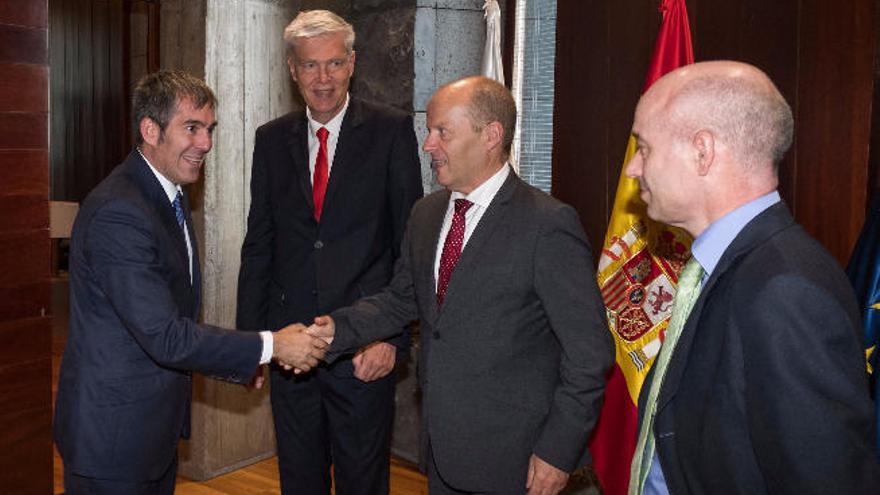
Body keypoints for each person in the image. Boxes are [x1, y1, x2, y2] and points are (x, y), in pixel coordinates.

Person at [308, 75, 613, 495]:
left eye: (442, 132)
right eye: (429, 131)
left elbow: (589, 354)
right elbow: (402, 300)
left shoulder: (547, 225)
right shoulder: (426, 215)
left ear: (491, 135)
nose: (428, 145)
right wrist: (337, 330)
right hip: (443, 455)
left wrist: (558, 451)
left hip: (521, 463)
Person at [53, 70, 328, 495]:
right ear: (150, 130)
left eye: (209, 129)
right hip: (113, 443)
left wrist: (243, 359)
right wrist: (270, 345)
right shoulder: (120, 212)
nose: (206, 143)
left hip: (148, 435)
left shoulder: (168, 195)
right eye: (192, 128)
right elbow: (165, 336)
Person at [624, 60, 880, 495]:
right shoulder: (721, 266)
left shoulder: (786, 289)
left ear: (702, 151)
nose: (633, 169)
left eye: (644, 148)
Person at [235, 9, 423, 495]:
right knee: (299, 481)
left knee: (364, 483)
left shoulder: (392, 131)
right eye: (311, 65)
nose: (324, 78)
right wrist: (251, 346)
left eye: (335, 63)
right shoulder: (270, 140)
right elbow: (260, 245)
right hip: (290, 351)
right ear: (292, 69)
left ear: (353, 63)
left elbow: (410, 245)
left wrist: (391, 339)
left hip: (364, 350)